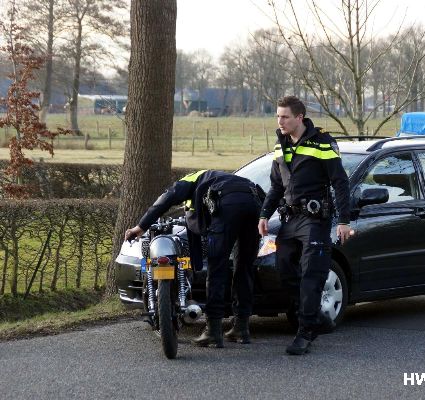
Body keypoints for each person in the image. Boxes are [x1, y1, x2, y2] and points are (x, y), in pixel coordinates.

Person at [258, 95, 352, 355]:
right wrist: (264, 215)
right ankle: (315, 317)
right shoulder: (281, 145)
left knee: (312, 275)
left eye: (285, 116)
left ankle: (305, 332)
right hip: (290, 219)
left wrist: (343, 220)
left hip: (315, 220)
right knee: (284, 269)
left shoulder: (322, 142)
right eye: (278, 116)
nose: (280, 121)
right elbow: (276, 185)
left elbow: (340, 182)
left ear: (299, 117)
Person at [125, 170, 262, 348]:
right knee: (244, 268)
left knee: (216, 270)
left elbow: (166, 199)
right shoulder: (225, 178)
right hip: (254, 203)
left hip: (227, 205)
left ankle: (213, 331)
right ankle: (241, 329)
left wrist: (141, 226)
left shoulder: (191, 180)